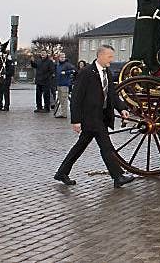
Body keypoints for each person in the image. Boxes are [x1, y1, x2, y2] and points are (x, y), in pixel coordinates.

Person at [54, 44, 135, 188]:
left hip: (102, 116)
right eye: (109, 56)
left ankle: (62, 172)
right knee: (106, 146)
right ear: (100, 56)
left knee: (80, 146)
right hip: (90, 117)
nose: (112, 59)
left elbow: (111, 94)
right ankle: (118, 176)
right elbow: (77, 97)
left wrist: (122, 108)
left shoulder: (107, 72)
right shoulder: (86, 72)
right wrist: (76, 120)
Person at [53, 54, 76, 118]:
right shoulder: (58, 65)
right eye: (61, 57)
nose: (63, 58)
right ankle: (63, 112)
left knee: (64, 99)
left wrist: (66, 73)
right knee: (60, 99)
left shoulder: (67, 64)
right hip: (59, 84)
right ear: (59, 58)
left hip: (65, 85)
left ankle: (64, 114)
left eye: (63, 57)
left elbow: (74, 70)